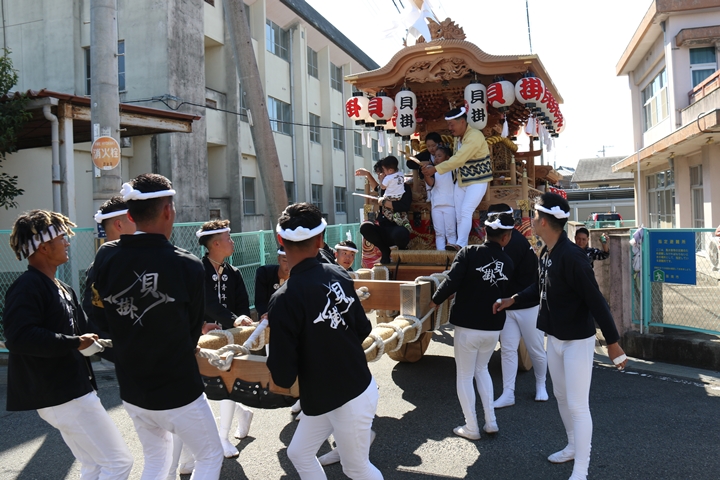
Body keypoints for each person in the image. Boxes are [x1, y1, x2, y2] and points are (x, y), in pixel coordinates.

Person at [86, 173, 223, 479]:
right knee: (210, 455)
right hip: (179, 388)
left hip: (132, 387)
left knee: (156, 460)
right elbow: (192, 330)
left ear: (130, 215)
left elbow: (100, 315)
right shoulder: (186, 264)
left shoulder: (106, 256)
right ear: (168, 211)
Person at [494, 192, 628, 480]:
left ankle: (581, 469)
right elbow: (540, 288)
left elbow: (596, 301)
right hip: (554, 338)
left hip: (577, 341)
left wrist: (613, 343)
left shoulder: (573, 257)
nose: (530, 221)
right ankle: (572, 446)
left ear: (543, 221)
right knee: (561, 396)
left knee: (578, 405)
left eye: (534, 216)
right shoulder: (547, 252)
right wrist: (513, 299)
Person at [4, 210, 133, 479]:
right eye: (62, 237)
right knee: (118, 463)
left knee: (94, 465)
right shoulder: (27, 287)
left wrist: (139, 345)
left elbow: (90, 333)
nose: (67, 242)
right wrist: (74, 342)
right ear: (43, 247)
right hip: (63, 395)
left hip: (72, 391)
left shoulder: (62, 287)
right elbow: (19, 337)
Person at [267, 203, 382, 480]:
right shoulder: (337, 274)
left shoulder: (283, 299)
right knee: (298, 453)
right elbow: (363, 327)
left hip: (347, 397)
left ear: (280, 239)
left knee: (356, 468)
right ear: (321, 240)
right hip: (345, 387)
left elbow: (283, 375)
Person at [430, 211, 515, 440]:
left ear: (484, 231)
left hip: (468, 326)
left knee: (465, 375)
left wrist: (434, 301)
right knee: (482, 370)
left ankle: (471, 427)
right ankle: (491, 421)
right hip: (493, 328)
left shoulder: (469, 252)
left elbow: (452, 281)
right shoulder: (508, 263)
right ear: (506, 237)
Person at [195, 220, 254, 456]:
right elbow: (206, 304)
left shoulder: (233, 272)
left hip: (230, 339)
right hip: (205, 339)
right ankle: (243, 413)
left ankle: (223, 437)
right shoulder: (198, 270)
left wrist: (240, 322)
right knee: (208, 387)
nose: (232, 242)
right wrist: (229, 320)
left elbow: (242, 305)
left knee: (226, 384)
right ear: (216, 243)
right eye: (229, 238)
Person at [488, 204, 548, 409]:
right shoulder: (500, 242)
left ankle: (541, 385)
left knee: (535, 348)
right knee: (508, 349)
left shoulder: (516, 243)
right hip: (507, 306)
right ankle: (508, 393)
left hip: (527, 304)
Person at [422, 107, 492, 250]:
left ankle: (461, 244)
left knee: (466, 210)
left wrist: (435, 169)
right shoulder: (458, 139)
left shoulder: (475, 136)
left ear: (462, 122)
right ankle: (460, 244)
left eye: (452, 124)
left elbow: (458, 159)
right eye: (448, 125)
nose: (450, 128)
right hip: (462, 181)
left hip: (477, 180)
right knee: (459, 214)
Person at [357, 158, 413, 265]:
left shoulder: (404, 187)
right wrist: (367, 174)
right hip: (383, 228)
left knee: (400, 233)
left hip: (397, 226)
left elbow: (404, 206)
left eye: (381, 173)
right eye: (378, 174)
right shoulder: (384, 189)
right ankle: (385, 250)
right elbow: (376, 188)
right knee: (365, 227)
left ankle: (401, 252)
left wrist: (384, 203)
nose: (380, 177)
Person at [423, 145, 457, 250]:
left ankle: (452, 256)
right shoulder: (434, 171)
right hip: (436, 206)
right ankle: (441, 256)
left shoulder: (453, 171)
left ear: (447, 158)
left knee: (451, 232)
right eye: (435, 156)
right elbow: (431, 183)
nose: (436, 158)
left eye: (439, 156)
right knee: (439, 233)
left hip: (450, 205)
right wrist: (426, 174)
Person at [254, 246, 290, 320]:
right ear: (279, 259)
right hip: (267, 320)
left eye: (292, 261)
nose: (288, 265)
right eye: (285, 260)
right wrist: (265, 315)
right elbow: (260, 301)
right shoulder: (265, 273)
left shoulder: (300, 278)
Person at [379, 156, 412, 231]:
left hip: (389, 197)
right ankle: (406, 223)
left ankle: (394, 217)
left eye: (384, 170)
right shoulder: (401, 174)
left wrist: (381, 179)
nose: (384, 172)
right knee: (403, 213)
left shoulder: (388, 178)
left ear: (390, 170)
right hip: (400, 196)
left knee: (386, 210)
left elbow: (383, 187)